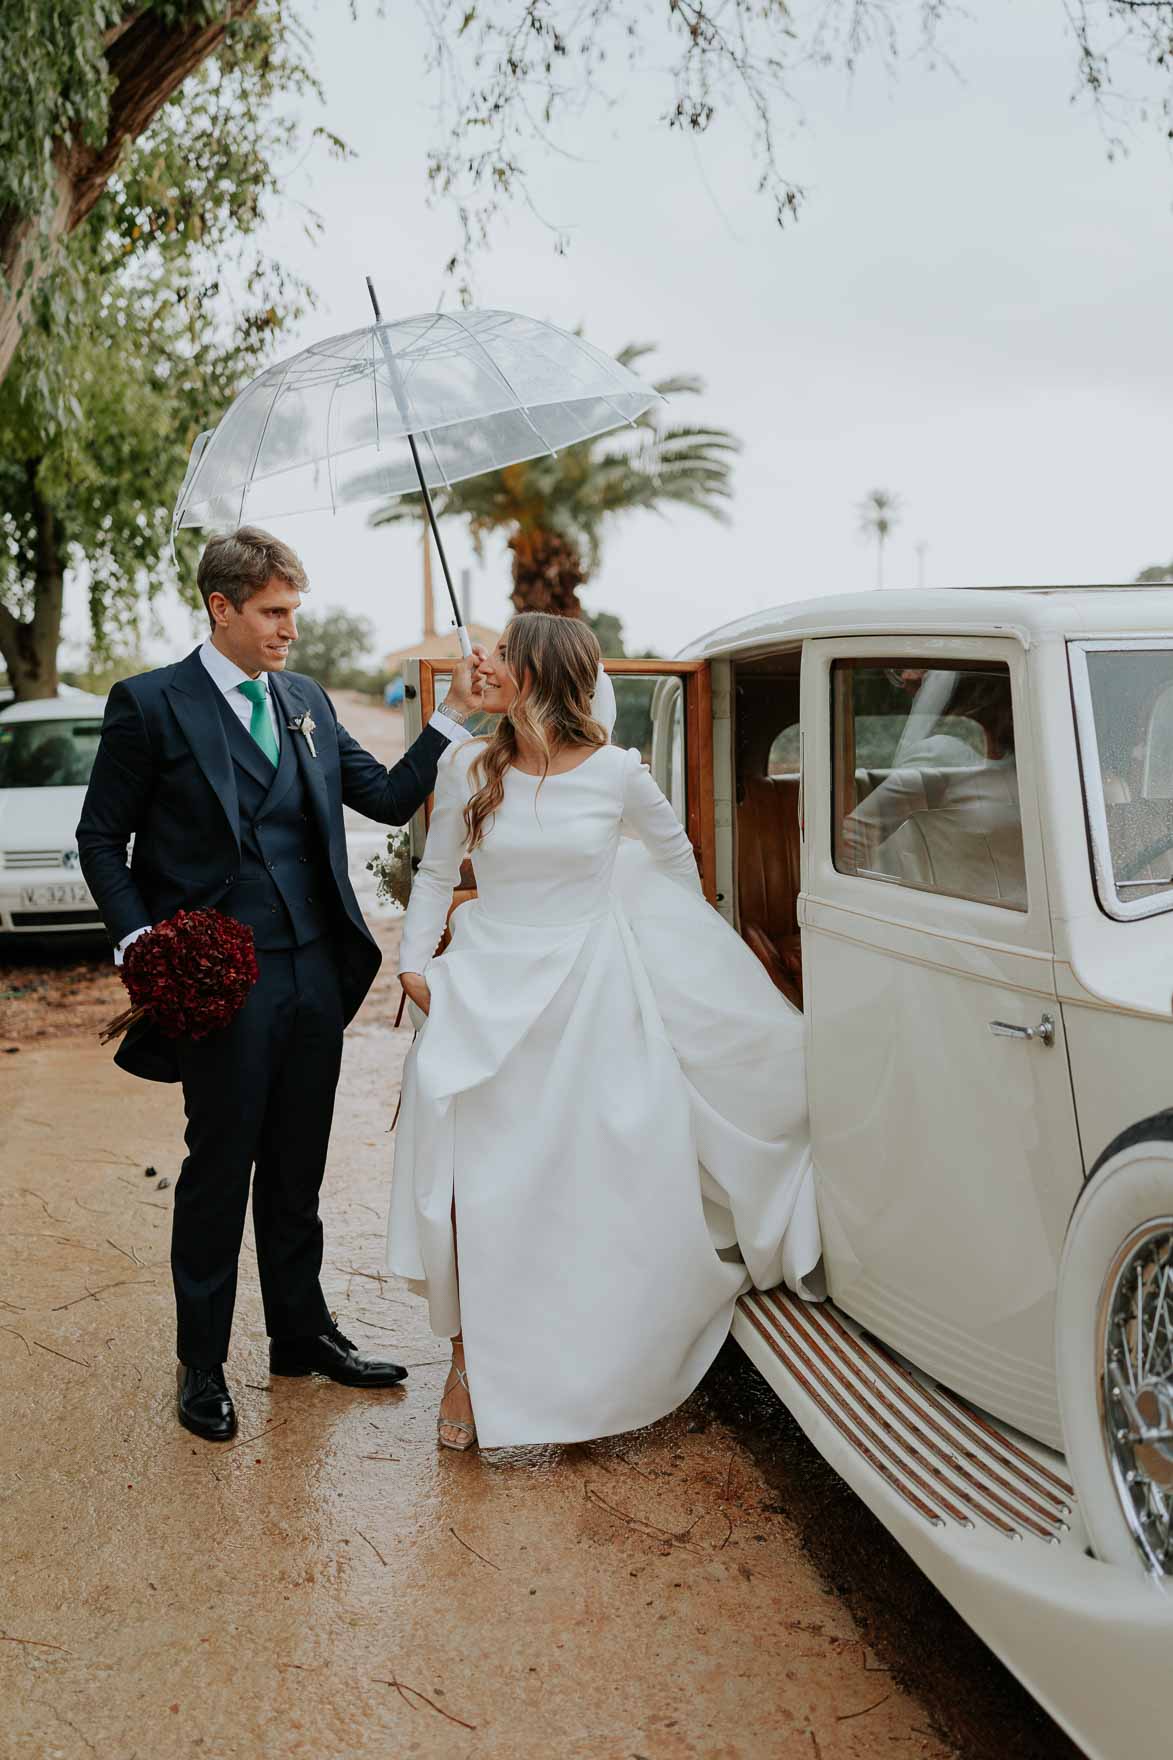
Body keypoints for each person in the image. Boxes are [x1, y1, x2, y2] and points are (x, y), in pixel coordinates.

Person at [76, 526, 484, 1443]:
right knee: (221, 1168)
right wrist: (142, 942)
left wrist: (453, 715)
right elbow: (101, 839)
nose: (288, 630)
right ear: (220, 608)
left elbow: (379, 796)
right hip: (222, 981)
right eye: (273, 612)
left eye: (293, 612)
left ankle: (300, 1338)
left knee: (297, 1169)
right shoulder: (148, 705)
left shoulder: (302, 698)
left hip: (314, 970)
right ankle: (202, 1365)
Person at [388, 612, 820, 1452]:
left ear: (540, 672)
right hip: (481, 989)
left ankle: (588, 1360)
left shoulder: (620, 774)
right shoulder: (468, 762)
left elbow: (675, 867)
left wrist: (677, 959)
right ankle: (467, 1363)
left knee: (577, 1183)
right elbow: (437, 870)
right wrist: (411, 967)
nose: (485, 660)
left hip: (588, 995)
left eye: (502, 653)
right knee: (470, 1181)